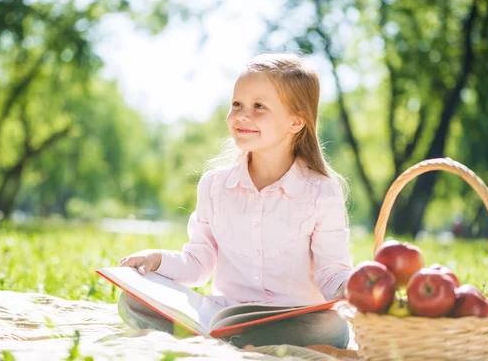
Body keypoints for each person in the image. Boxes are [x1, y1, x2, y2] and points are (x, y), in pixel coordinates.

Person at [118, 53, 353, 349]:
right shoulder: (215, 186)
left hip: (291, 318)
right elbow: (197, 262)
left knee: (331, 329)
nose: (242, 115)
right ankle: (231, 339)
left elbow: (332, 274)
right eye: (237, 104)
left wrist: (352, 287)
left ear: (296, 121)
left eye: (259, 107)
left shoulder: (321, 192)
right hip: (224, 313)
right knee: (132, 302)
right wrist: (157, 260)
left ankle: (222, 342)